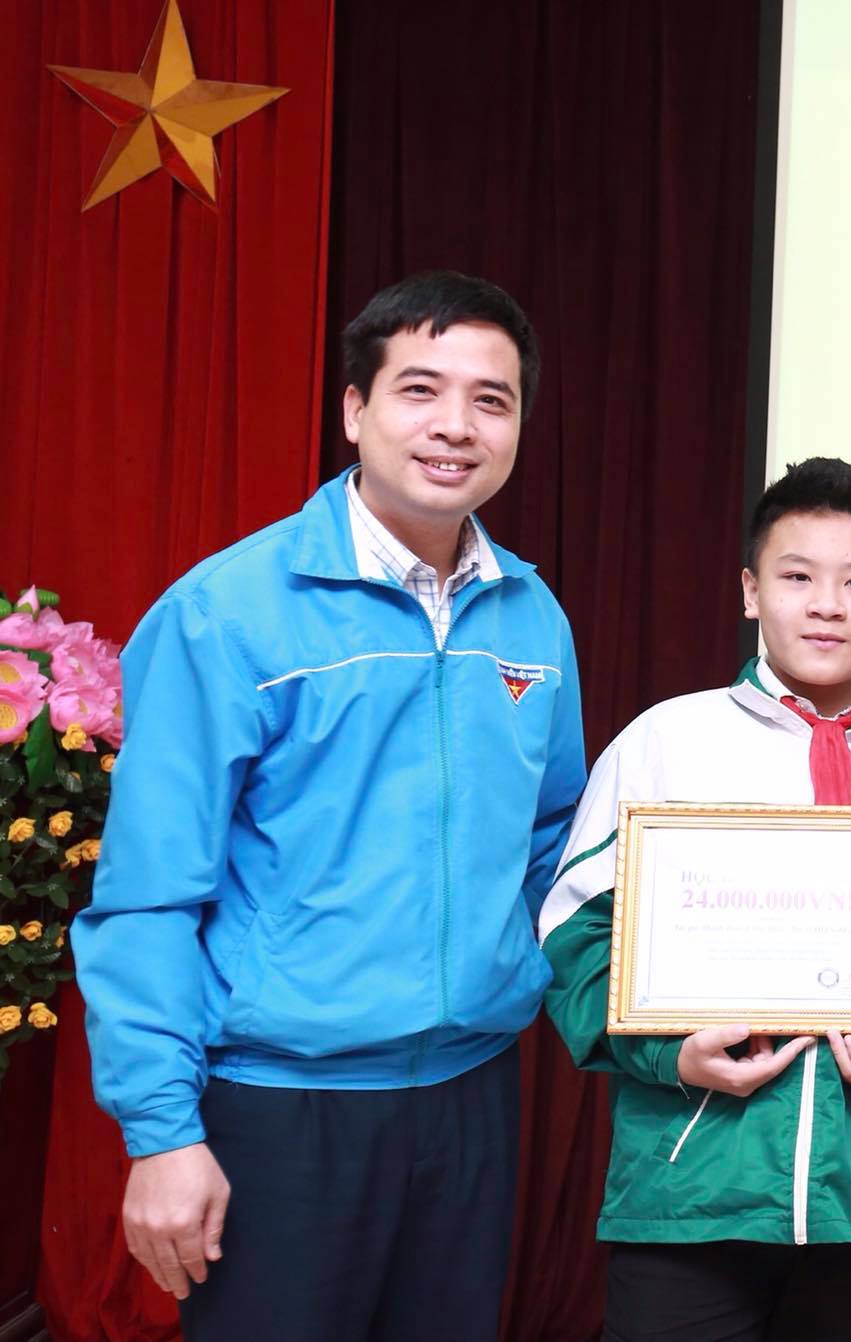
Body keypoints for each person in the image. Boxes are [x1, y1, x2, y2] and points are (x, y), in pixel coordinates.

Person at [71, 271, 586, 1342]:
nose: (455, 425)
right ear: (354, 410)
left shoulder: (532, 616)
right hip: (277, 1106)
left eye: (490, 400)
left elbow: (552, 849)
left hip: (473, 1096)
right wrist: (162, 1133)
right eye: (420, 390)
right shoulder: (226, 612)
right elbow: (147, 895)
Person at [539, 457, 851, 1342]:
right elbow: (572, 937)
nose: (828, 606)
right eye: (797, 577)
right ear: (750, 591)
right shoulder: (667, 741)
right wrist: (669, 1054)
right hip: (685, 1193)